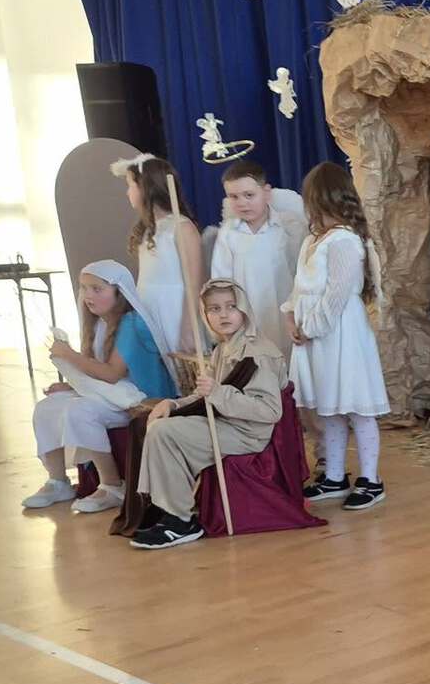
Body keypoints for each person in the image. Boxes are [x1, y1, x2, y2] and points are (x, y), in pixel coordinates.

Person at [130, 280, 288, 549]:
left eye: (231, 307)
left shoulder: (257, 353)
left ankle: (181, 520)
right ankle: (165, 507)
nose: (223, 315)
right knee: (155, 423)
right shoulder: (223, 349)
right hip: (226, 422)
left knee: (164, 433)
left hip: (247, 432)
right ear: (205, 315)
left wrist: (218, 393)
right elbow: (203, 394)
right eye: (214, 309)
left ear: (244, 309)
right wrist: (173, 404)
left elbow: (270, 411)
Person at [23, 261, 179, 513]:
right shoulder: (97, 323)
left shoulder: (131, 323)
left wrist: (68, 355)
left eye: (97, 289)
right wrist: (70, 385)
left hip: (138, 399)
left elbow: (112, 374)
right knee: (47, 407)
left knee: (81, 410)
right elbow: (94, 372)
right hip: (112, 395)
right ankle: (58, 480)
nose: (88, 296)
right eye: (84, 288)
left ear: (119, 293)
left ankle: (112, 485)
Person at [284, 161, 390, 511]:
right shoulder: (313, 240)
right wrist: (291, 316)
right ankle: (333, 476)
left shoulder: (344, 240)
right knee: (328, 408)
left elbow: (336, 296)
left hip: (340, 336)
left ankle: (371, 479)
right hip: (314, 338)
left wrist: (310, 328)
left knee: (356, 406)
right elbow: (300, 288)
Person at [117, 155, 205, 355]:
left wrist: (188, 326)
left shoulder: (181, 227)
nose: (127, 192)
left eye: (130, 185)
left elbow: (194, 282)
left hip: (173, 313)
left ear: (145, 187)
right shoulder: (149, 230)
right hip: (150, 310)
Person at [210, 159, 305, 341]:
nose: (242, 203)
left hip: (285, 320)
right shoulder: (228, 234)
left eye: (249, 195)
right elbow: (221, 282)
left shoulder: (289, 227)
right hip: (247, 324)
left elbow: (301, 274)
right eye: (234, 197)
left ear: (266, 193)